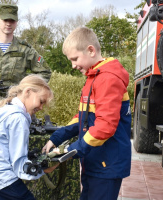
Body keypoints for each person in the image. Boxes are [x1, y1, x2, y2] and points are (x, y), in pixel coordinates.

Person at [42, 27, 132, 200]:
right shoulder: (94, 77)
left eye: (75, 59)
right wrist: (56, 138)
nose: (73, 65)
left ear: (90, 50)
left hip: (107, 165)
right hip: (96, 161)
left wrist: (70, 151)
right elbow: (82, 118)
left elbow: (105, 126)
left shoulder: (107, 79)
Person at [0, 74, 56, 200]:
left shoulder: (7, 110)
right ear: (28, 92)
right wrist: (43, 169)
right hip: (2, 179)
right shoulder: (18, 118)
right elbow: (20, 165)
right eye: (41, 101)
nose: (41, 107)